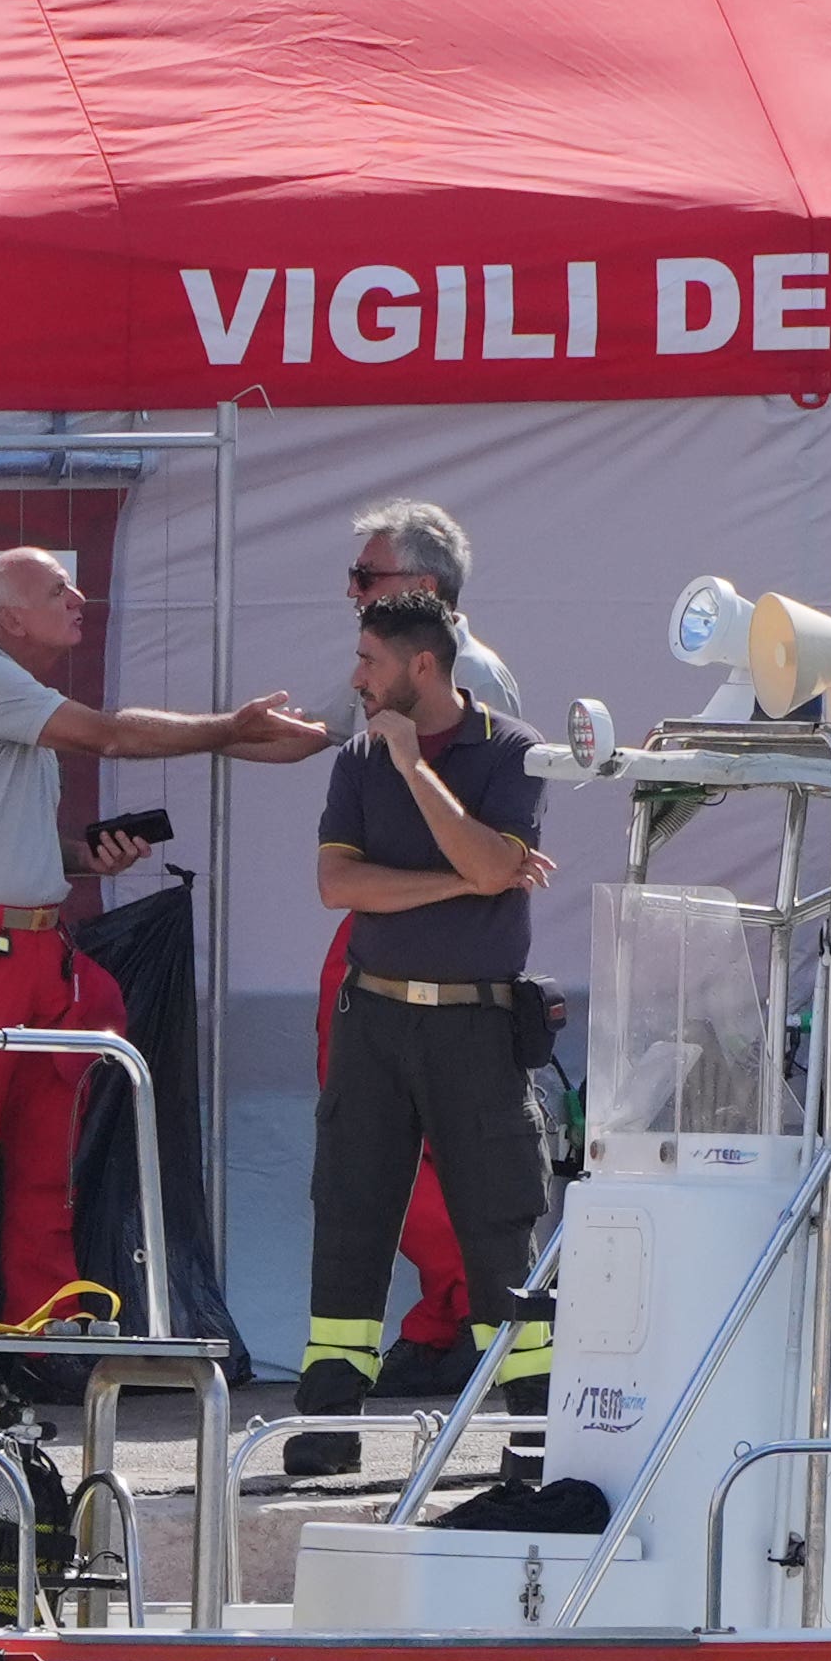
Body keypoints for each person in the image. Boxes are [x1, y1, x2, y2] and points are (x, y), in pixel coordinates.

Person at [0, 546, 322, 1351]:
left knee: (42, 1162)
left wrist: (80, 858)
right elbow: (114, 738)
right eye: (59, 589)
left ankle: (47, 1334)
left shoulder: (9, 691)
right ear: (11, 615)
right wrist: (230, 728)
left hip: (21, 950)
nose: (80, 595)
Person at [302, 594, 556, 1417]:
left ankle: (530, 1428)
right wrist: (465, 882)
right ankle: (330, 1417)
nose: (356, 678)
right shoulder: (356, 759)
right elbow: (339, 885)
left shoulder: (513, 752)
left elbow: (492, 860)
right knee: (351, 1212)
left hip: (476, 1023)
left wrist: (416, 766)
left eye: (370, 660)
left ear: (421, 666)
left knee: (497, 1222)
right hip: (372, 1019)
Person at [321, 500, 517, 1378]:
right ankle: (414, 1335)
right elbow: (339, 877)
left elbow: (491, 854)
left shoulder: (475, 688)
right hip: (380, 946)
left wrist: (458, 877)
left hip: (447, 963)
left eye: (368, 578)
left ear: (422, 594)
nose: (352, 592)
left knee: (456, 1161)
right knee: (361, 1164)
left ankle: (455, 1321)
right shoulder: (393, 677)